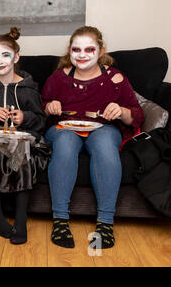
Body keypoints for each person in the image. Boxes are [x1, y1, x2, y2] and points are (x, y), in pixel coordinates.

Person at [41, 26, 144, 249]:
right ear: (69, 51)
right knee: (66, 143)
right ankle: (60, 220)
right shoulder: (59, 77)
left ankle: (105, 224)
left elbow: (137, 113)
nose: (82, 55)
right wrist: (49, 106)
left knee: (106, 144)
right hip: (64, 128)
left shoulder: (115, 78)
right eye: (76, 49)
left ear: (101, 50)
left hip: (103, 128)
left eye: (89, 49)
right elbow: (40, 106)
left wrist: (122, 111)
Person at [0, 27, 46, 244]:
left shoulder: (28, 88)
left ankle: (21, 217)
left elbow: (41, 120)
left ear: (16, 57)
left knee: (19, 148)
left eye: (5, 55)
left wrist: (25, 117)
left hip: (23, 140)